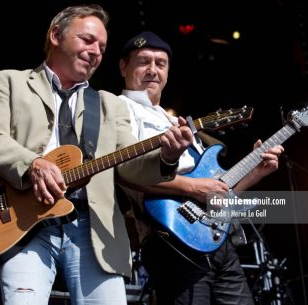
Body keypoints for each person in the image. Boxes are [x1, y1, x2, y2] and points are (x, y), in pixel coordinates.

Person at [0, 6, 193, 305]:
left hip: (94, 231)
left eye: (102, 47)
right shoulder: (10, 82)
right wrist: (32, 164)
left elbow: (130, 168)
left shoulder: (108, 105)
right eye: (87, 40)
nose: (95, 52)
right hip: (25, 223)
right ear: (55, 35)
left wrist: (167, 156)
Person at [117, 31, 285, 304]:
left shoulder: (177, 122)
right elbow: (126, 171)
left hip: (216, 238)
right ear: (123, 66)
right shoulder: (118, 109)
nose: (152, 70)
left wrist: (255, 172)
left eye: (161, 64)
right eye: (143, 62)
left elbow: (214, 191)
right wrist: (194, 188)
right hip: (171, 239)